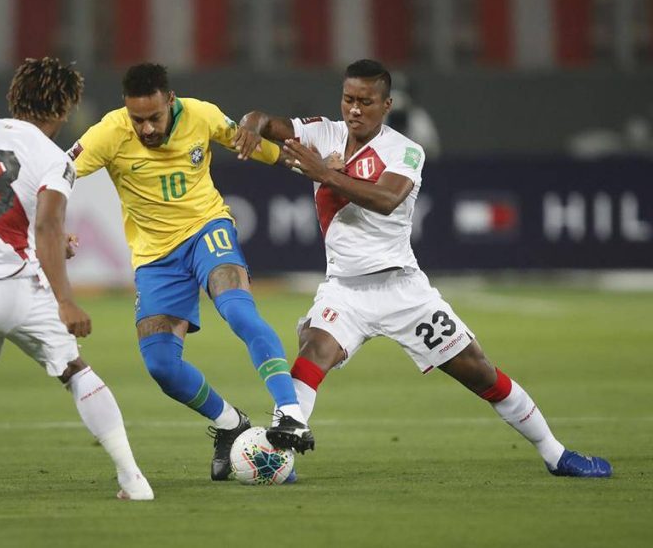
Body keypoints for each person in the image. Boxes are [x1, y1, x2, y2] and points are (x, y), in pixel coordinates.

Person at [234, 59, 611, 478]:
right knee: (312, 354)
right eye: (348, 99)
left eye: (365, 101)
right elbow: (267, 122)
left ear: (386, 104)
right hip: (344, 289)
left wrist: (324, 172)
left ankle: (555, 454)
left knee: (479, 372)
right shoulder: (324, 133)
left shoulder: (405, 151)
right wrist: (252, 124)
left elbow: (385, 199)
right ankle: (278, 456)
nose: (354, 109)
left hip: (403, 290)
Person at [0, 57, 153, 502]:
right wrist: (66, 300)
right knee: (76, 371)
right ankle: (133, 479)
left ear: (14, 97)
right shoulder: (55, 158)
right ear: (64, 109)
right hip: (17, 289)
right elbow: (45, 228)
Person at [68, 63, 314, 482]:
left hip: (206, 229)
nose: (146, 129)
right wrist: (51, 223)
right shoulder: (108, 132)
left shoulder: (201, 114)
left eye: (154, 118)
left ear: (171, 100)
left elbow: (256, 145)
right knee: (162, 365)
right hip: (154, 257)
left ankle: (289, 414)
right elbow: (57, 172)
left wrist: (314, 169)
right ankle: (229, 423)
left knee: (238, 311)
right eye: (137, 119)